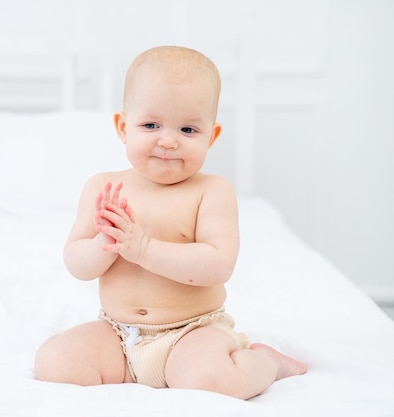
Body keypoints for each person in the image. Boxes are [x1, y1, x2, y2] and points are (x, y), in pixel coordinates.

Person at [34, 45, 307, 400]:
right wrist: (106, 244)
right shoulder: (103, 187)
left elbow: (218, 265)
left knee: (208, 380)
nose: (168, 140)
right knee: (54, 363)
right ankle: (125, 371)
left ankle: (266, 363)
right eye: (150, 125)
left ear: (212, 136)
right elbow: (76, 262)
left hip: (191, 332)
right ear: (122, 126)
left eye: (188, 129)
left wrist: (143, 248)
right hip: (118, 334)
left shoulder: (211, 191)